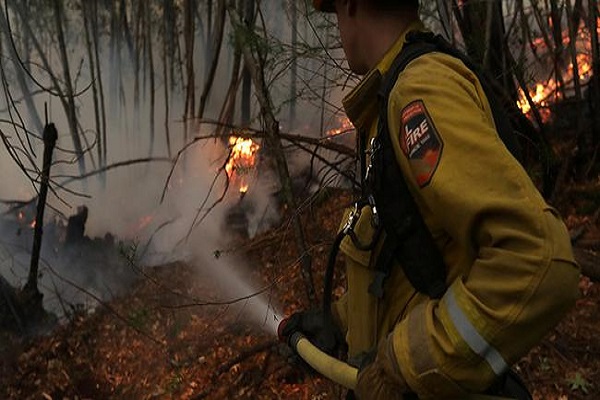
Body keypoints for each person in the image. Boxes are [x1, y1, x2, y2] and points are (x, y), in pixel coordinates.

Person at [282, 0, 581, 399]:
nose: (338, 26)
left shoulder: (417, 92)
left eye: (333, 12)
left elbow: (538, 259)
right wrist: (338, 322)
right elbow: (420, 263)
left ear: (351, 5)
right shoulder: (391, 97)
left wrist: (405, 364)